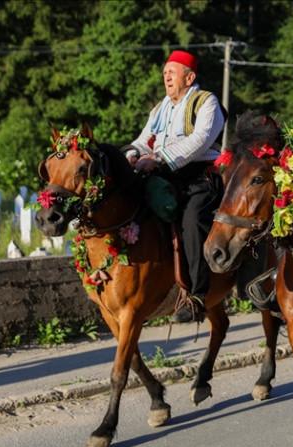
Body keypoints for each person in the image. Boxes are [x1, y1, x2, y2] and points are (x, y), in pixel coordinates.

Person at [124, 50, 226, 323]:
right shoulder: (161, 108)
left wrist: (157, 159)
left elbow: (200, 140)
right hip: (162, 173)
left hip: (199, 175)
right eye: (165, 72)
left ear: (189, 77)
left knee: (192, 220)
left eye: (173, 71)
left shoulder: (206, 102)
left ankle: (196, 295)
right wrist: (132, 155)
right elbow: (145, 139)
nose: (166, 75)